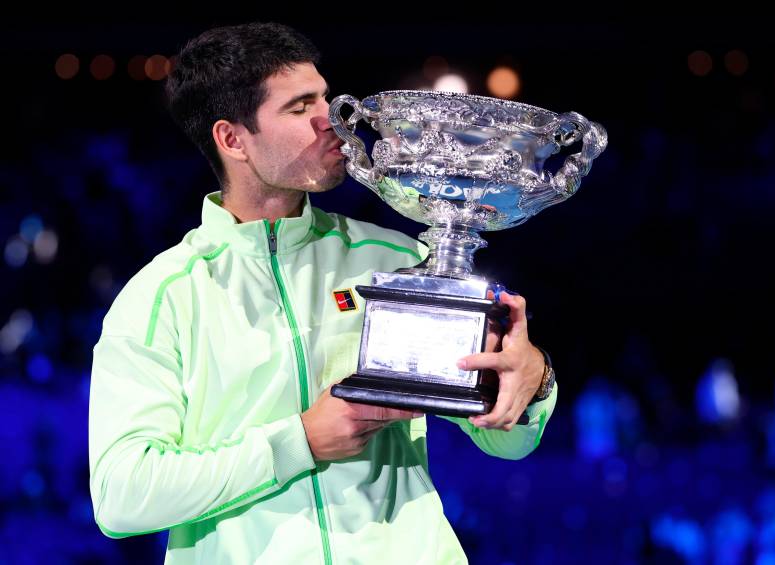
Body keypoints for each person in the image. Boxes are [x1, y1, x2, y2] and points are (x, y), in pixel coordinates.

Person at [87, 21, 558, 564]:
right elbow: (122, 497)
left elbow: (506, 442)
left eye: (326, 97)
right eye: (298, 107)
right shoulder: (162, 297)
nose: (330, 119)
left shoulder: (397, 260)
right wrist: (298, 443)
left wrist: (532, 382)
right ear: (232, 139)